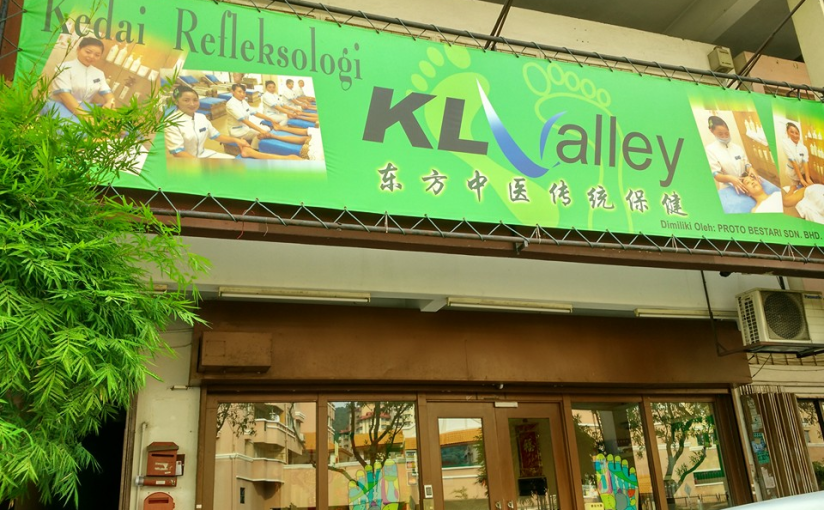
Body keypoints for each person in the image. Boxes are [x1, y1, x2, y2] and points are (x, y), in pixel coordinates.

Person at [165, 86, 300, 160]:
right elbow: (178, 153)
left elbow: (216, 136)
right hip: (187, 163)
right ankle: (254, 151)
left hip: (205, 154)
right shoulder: (171, 123)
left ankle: (253, 151)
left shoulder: (201, 117)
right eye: (186, 100)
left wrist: (236, 141)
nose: (192, 104)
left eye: (195, 100)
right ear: (176, 101)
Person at [51, 37, 116, 117]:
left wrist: (110, 102)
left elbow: (108, 93)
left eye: (97, 55)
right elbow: (64, 95)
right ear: (78, 49)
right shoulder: (63, 67)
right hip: (60, 107)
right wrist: (86, 117)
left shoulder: (99, 73)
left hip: (84, 109)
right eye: (88, 52)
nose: (92, 56)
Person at [704, 115, 755, 194]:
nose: (724, 136)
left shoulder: (737, 147)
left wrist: (750, 169)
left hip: (744, 182)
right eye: (720, 134)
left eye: (726, 133)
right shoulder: (710, 150)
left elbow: (746, 164)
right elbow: (716, 174)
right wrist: (730, 179)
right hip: (728, 187)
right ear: (712, 131)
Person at [225, 83, 282, 149]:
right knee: (260, 132)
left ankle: (256, 146)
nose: (242, 94)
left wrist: (271, 120)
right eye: (239, 92)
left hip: (245, 128)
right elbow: (244, 120)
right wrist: (260, 130)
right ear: (232, 92)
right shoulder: (230, 104)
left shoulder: (243, 101)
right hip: (237, 131)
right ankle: (253, 149)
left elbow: (255, 113)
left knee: (267, 128)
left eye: (244, 92)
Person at [782, 121, 813, 188]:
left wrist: (808, 178)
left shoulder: (803, 148)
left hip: (801, 171)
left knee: (805, 186)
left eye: (797, 133)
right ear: (787, 133)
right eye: (792, 132)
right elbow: (793, 162)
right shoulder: (785, 144)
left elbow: (805, 163)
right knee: (794, 188)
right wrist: (801, 179)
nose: (795, 135)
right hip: (792, 172)